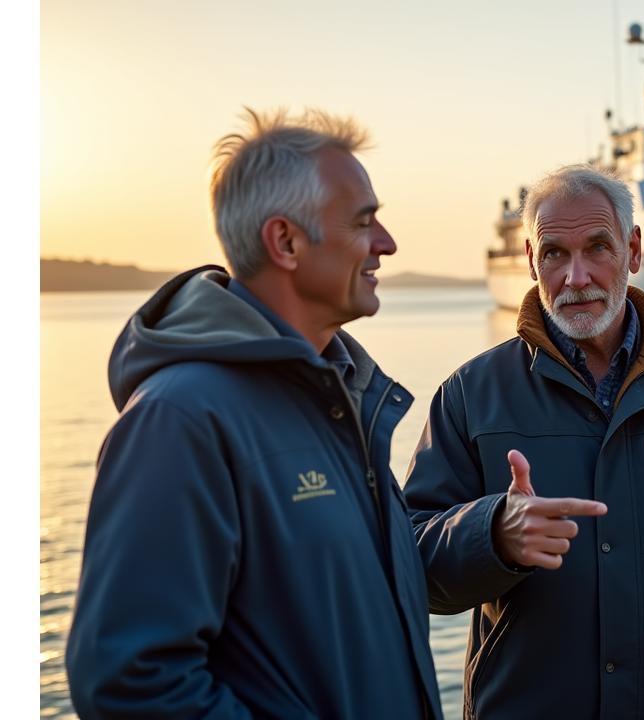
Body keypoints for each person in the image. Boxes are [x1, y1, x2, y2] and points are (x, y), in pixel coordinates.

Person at [65, 109, 444, 719]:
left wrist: (490, 536)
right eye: (363, 221)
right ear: (286, 242)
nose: (387, 243)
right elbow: (129, 681)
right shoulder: (179, 420)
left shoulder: (342, 402)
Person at [403, 164, 644, 719]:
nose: (576, 276)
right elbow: (409, 561)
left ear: (633, 250)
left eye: (597, 247)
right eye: (555, 253)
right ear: (531, 259)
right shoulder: (470, 395)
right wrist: (492, 533)